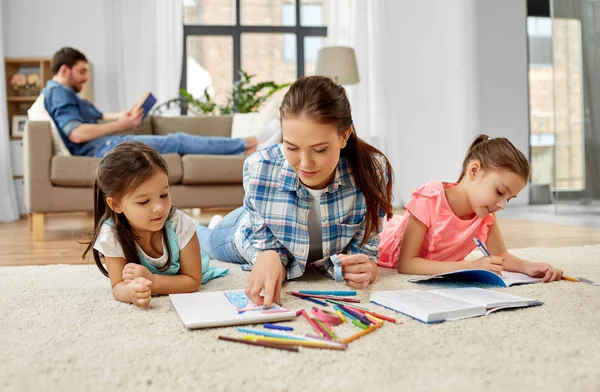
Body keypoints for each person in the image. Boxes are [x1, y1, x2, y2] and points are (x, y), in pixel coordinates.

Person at [197, 76, 394, 307]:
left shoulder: (373, 171)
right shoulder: (259, 167)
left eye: (319, 149)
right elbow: (264, 246)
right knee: (204, 241)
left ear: (344, 136)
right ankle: (202, 224)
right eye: (291, 147)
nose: (306, 163)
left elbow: (365, 251)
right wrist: (268, 256)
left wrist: (367, 267)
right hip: (243, 231)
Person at [378, 134, 563, 283]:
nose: (502, 205)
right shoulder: (430, 199)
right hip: (385, 239)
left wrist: (526, 266)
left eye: (509, 199)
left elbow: (500, 254)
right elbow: (407, 264)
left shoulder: (485, 213)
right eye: (500, 192)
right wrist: (470, 266)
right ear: (474, 170)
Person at [43, 47, 277, 157]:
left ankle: (249, 145)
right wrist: (121, 125)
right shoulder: (59, 92)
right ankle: (250, 144)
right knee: (178, 140)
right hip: (103, 148)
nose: (86, 77)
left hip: (105, 144)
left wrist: (124, 114)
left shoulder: (67, 95)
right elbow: (76, 134)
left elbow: (97, 115)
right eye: (82, 71)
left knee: (177, 140)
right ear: (65, 70)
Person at [82, 141, 228, 308]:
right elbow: (118, 286)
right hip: (189, 239)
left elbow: (193, 281)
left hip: (199, 244)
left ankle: (217, 225)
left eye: (164, 195)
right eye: (144, 201)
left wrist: (152, 280)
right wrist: (131, 292)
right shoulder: (111, 234)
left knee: (219, 242)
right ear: (115, 205)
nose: (159, 208)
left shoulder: (179, 223)